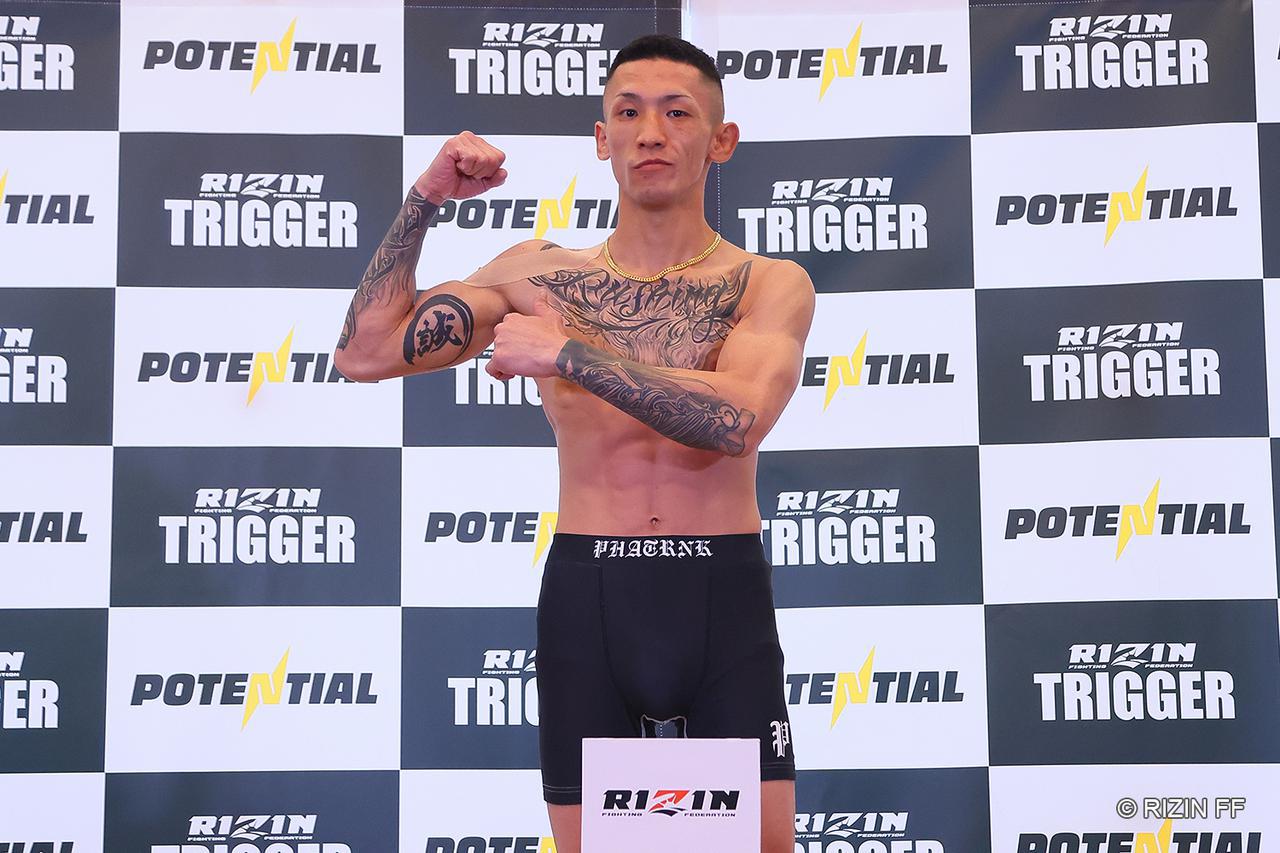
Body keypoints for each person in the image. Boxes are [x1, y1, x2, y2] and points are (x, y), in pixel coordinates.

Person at [333, 33, 815, 853]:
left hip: (720, 597)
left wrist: (569, 354)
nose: (650, 133)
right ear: (601, 137)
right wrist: (425, 199)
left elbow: (738, 419)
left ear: (721, 140)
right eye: (628, 113)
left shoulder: (765, 282)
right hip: (591, 598)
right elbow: (365, 352)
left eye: (677, 113)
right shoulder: (537, 274)